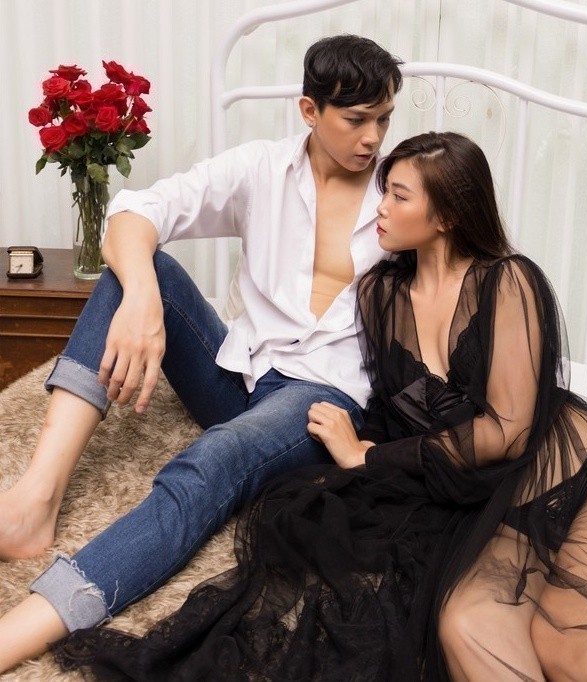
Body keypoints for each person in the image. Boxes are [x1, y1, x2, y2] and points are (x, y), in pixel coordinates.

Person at [48, 132, 587, 681]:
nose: (378, 207)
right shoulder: (382, 294)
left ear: (447, 215)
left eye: (398, 196)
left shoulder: (505, 279)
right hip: (503, 505)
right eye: (384, 192)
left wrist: (369, 457)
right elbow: (360, 380)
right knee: (466, 626)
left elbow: (508, 432)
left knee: (571, 637)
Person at [0, 34, 403, 673]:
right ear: (309, 110)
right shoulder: (263, 169)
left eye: (384, 118)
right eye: (356, 119)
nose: (372, 138)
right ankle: (36, 498)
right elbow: (138, 211)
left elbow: (470, 277)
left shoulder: (400, 192)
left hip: (319, 397)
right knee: (140, 269)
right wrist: (142, 298)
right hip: (242, 374)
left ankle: (25, 627)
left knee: (213, 458)